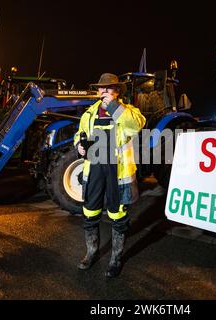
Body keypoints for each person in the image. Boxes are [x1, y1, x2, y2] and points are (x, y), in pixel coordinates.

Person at [73, 73, 146, 278]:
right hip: (94, 167)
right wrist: (79, 145)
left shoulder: (128, 111)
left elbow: (137, 125)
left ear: (117, 91)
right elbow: (79, 133)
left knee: (118, 215)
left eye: (109, 88)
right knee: (90, 211)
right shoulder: (89, 113)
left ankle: (115, 259)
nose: (103, 91)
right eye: (101, 88)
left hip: (117, 170)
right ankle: (91, 252)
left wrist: (113, 106)